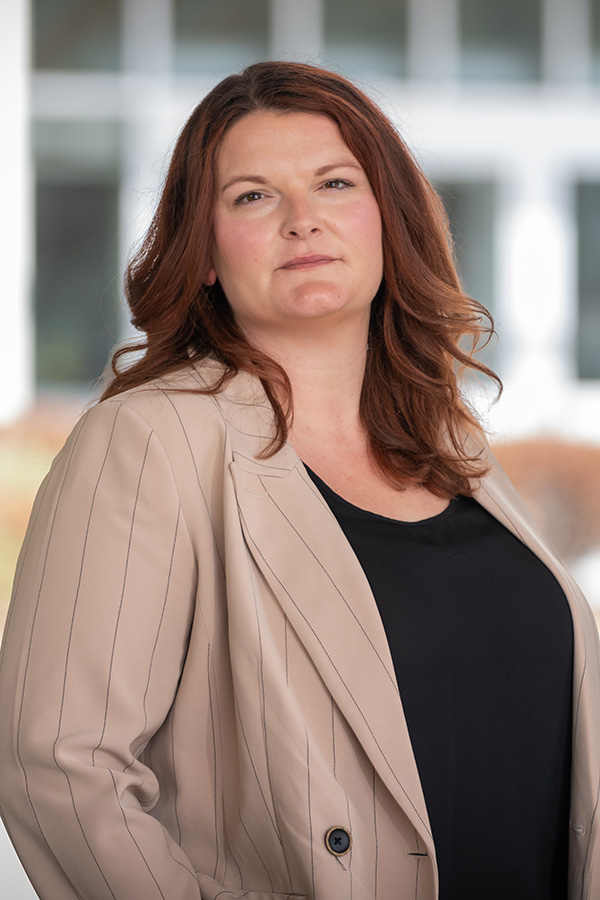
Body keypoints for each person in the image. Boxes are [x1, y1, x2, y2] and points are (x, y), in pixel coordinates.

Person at [0, 61, 598, 900]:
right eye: (252, 196)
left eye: (334, 182)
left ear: (387, 218)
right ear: (203, 254)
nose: (302, 220)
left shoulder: (451, 442)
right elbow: (57, 763)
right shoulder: (148, 441)